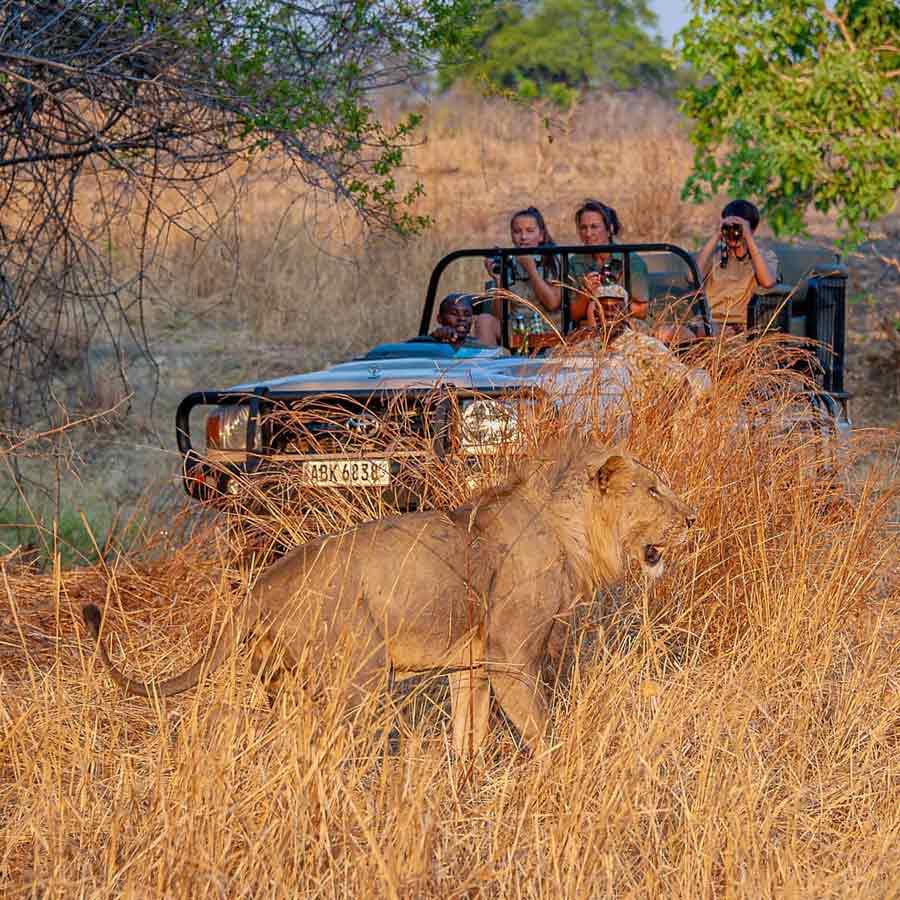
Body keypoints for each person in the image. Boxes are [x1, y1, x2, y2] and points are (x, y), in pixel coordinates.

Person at [658, 199, 778, 344]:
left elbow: (768, 281)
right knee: (663, 333)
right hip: (703, 324)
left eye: (738, 228)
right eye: (729, 228)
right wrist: (716, 235)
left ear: (752, 229)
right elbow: (692, 277)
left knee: (702, 333)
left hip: (733, 328)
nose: (733, 233)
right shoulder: (715, 256)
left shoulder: (762, 257)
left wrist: (748, 237)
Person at [474, 206, 561, 345]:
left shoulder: (554, 260)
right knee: (484, 320)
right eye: (517, 232)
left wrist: (531, 269)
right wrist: (498, 279)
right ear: (512, 236)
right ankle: (491, 365)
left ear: (541, 236)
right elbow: (500, 316)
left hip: (548, 332)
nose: (523, 237)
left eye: (530, 231)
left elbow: (552, 304)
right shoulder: (507, 262)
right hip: (517, 331)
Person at [567, 199, 650, 329]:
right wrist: (586, 294)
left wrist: (608, 305)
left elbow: (642, 310)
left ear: (610, 228)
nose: (588, 234)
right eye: (583, 228)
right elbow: (573, 315)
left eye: (594, 227)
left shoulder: (630, 260)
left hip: (626, 328)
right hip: (587, 331)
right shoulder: (575, 262)